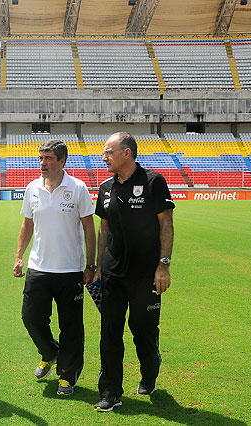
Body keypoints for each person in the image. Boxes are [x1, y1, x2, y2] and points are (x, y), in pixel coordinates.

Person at [92, 132, 175, 412]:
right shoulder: (105, 187)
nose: (104, 158)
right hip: (113, 276)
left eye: (109, 152)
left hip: (146, 276)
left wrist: (163, 265)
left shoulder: (153, 182)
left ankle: (150, 371)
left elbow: (166, 224)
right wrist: (97, 268)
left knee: (143, 332)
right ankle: (110, 391)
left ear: (126, 153)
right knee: (110, 334)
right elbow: (104, 229)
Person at [13, 139, 96, 396]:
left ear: (62, 161)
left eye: (48, 159)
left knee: (71, 327)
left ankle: (67, 377)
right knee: (31, 317)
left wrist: (90, 265)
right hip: (39, 268)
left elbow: (89, 228)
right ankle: (50, 352)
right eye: (41, 158)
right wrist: (19, 256)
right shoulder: (32, 188)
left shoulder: (78, 188)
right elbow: (27, 224)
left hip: (70, 270)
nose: (43, 163)